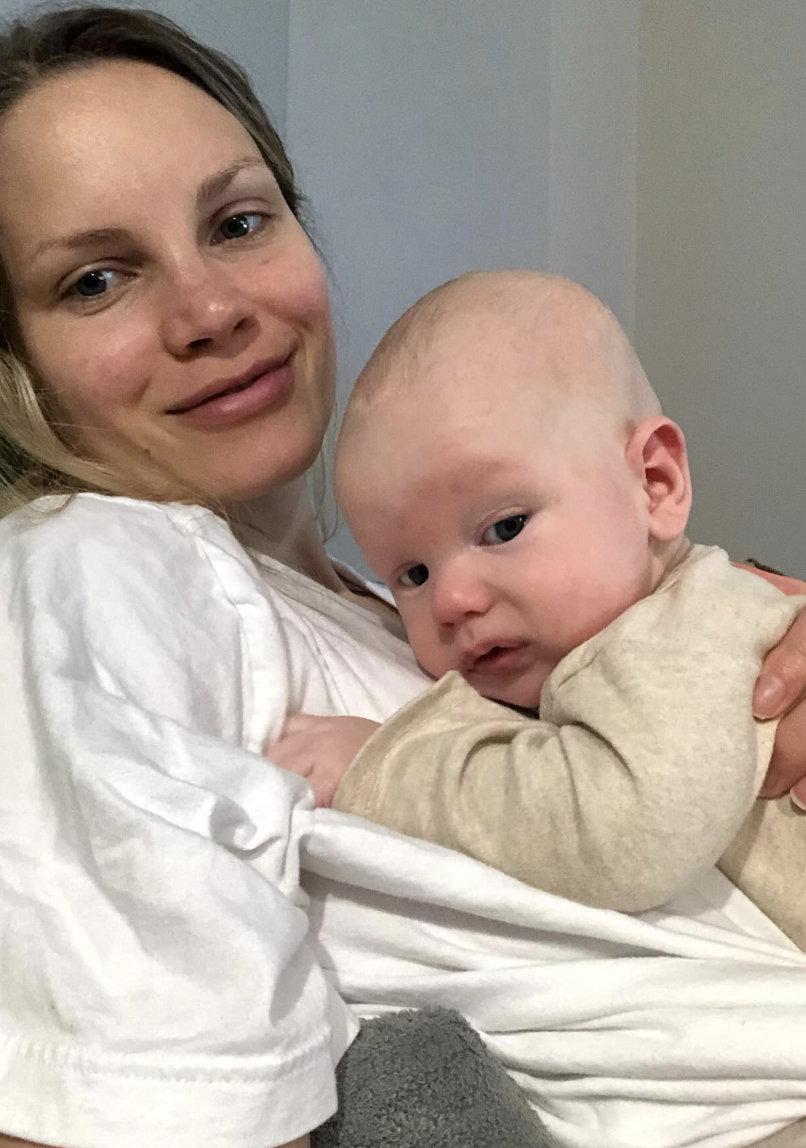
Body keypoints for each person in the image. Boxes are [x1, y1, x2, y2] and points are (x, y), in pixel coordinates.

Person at [2, 8, 806, 1148]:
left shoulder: (403, 617)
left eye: (237, 221)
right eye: (94, 279)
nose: (212, 310)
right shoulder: (93, 566)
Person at [272, 270, 806, 947]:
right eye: (412, 573)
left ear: (655, 482)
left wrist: (384, 767)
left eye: (505, 527)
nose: (453, 600)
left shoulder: (678, 633)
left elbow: (627, 835)